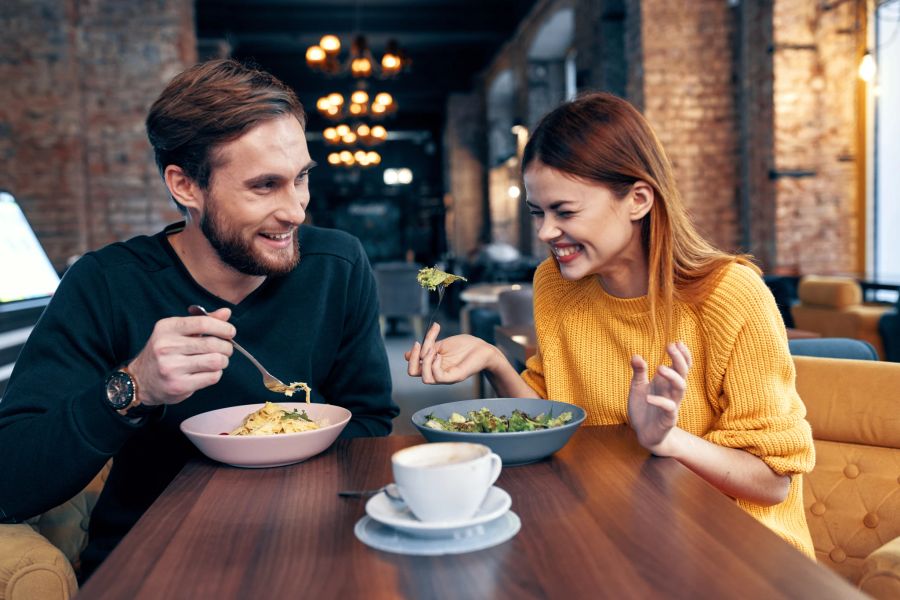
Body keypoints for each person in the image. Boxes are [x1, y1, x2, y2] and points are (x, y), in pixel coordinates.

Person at [0, 59, 398, 576]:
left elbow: (369, 423)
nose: (296, 210)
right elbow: (12, 481)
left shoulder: (336, 265)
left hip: (315, 540)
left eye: (300, 178)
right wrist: (132, 387)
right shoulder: (107, 283)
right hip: (156, 558)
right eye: (264, 186)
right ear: (186, 186)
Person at [407, 92, 816, 558]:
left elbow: (772, 482)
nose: (544, 232)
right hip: (618, 532)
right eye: (538, 213)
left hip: (737, 552)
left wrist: (665, 439)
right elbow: (553, 417)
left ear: (638, 199)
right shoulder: (557, 283)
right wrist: (495, 361)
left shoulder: (729, 294)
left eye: (565, 211)